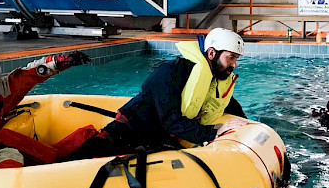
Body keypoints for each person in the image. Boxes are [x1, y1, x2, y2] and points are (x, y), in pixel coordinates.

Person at [74, 28, 249, 158]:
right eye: (231, 57)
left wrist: (247, 124)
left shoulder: (211, 80)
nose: (234, 65)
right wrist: (212, 133)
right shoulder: (169, 72)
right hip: (123, 136)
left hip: (154, 139)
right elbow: (170, 120)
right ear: (211, 53)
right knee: (76, 163)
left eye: (236, 59)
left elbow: (227, 104)